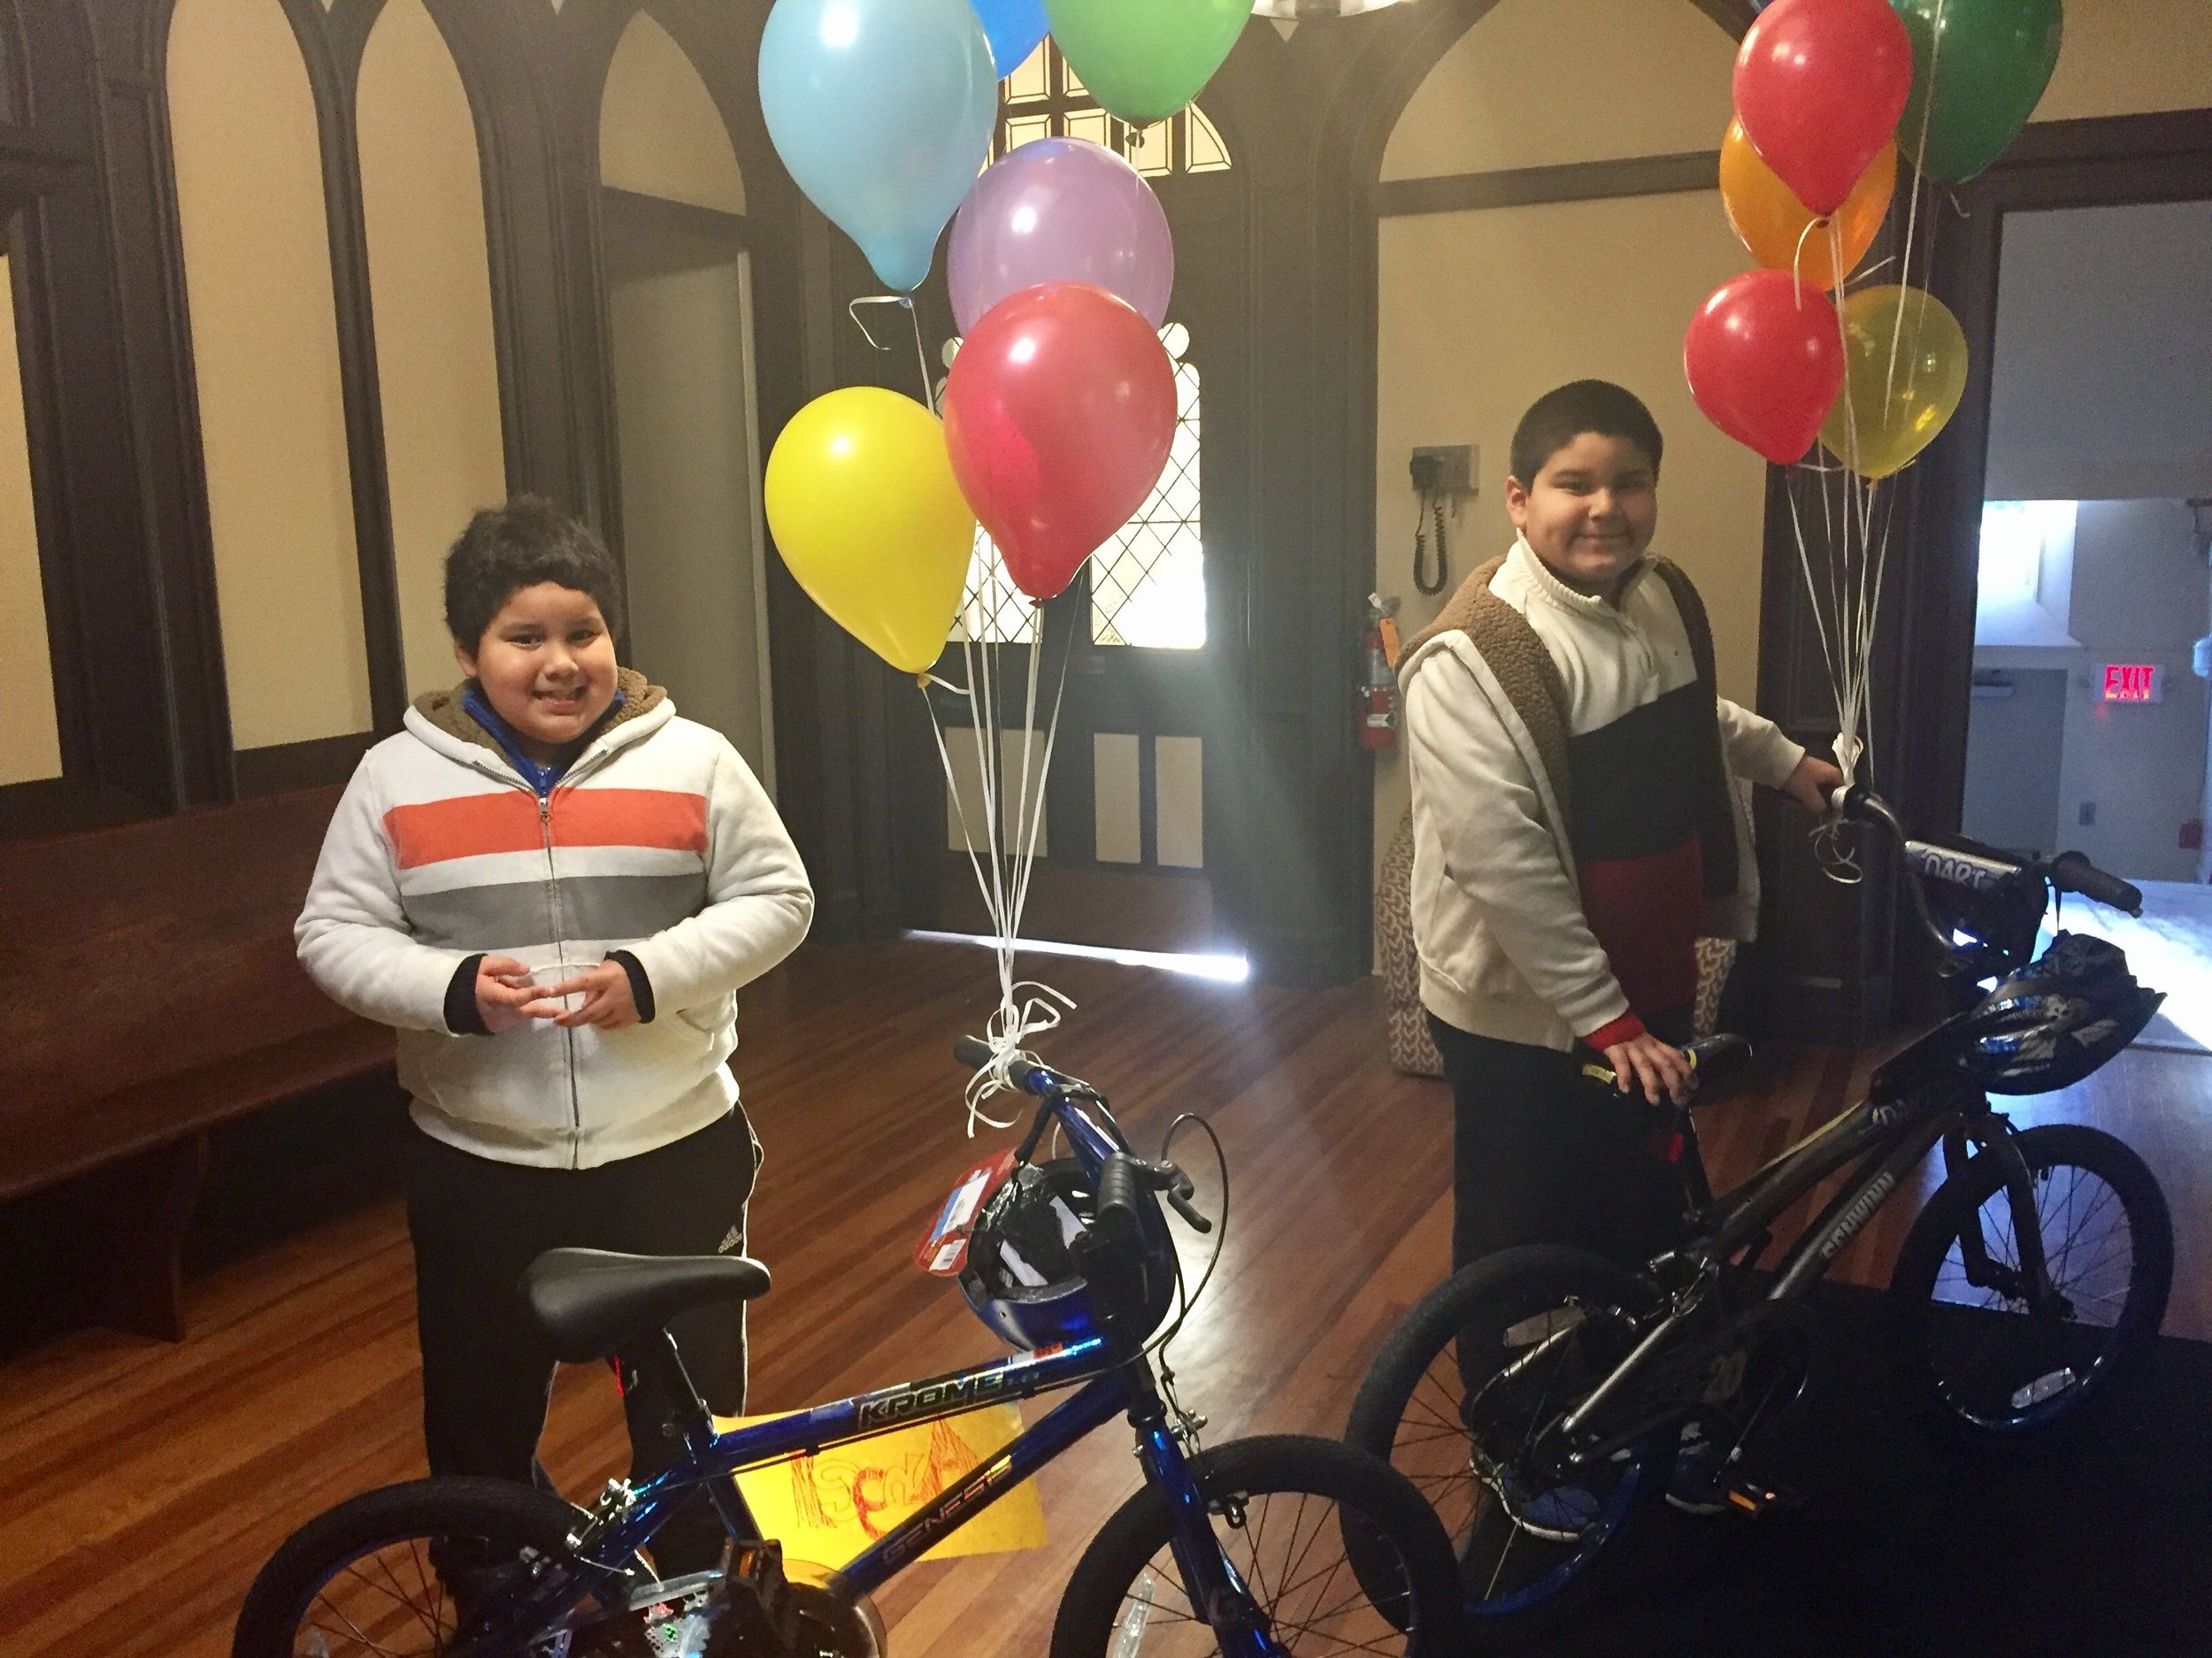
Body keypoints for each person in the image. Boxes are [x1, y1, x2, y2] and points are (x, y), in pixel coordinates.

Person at [296, 497, 812, 1574]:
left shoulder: (695, 759)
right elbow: (331, 933)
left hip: (674, 1148)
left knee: (689, 1428)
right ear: (467, 650)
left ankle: (688, 1612)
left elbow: (778, 897)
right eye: (522, 637)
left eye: (583, 631)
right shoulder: (395, 778)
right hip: (480, 1165)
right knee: (479, 1428)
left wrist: (648, 974)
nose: (559, 661)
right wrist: (453, 987)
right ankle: (493, 1605)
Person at [1401, 378, 1840, 1280]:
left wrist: (1784, 761)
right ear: (1520, 501)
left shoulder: (1656, 596)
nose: (1605, 508)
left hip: (1648, 980)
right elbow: (1502, 863)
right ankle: (1513, 1412)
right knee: (1521, 1228)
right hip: (1529, 1015)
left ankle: (1627, 1381)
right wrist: (1606, 1021)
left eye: (1629, 482)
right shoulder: (1469, 656)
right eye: (1574, 483)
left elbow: (1689, 714)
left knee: (1638, 1188)